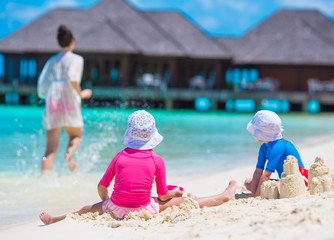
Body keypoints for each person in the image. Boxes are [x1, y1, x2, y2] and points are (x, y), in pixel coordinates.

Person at [39, 110, 237, 225]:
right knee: (186, 200)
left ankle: (56, 219)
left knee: (84, 209)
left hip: (116, 207)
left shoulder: (119, 157)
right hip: (144, 208)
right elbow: (162, 196)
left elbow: (101, 186)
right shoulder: (156, 160)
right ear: (152, 136)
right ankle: (223, 196)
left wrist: (107, 202)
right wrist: (175, 191)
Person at [37, 25, 92, 173]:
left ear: (58, 43)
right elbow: (72, 78)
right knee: (76, 136)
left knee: (50, 149)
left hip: (53, 101)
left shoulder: (52, 61)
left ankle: (43, 181)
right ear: (72, 42)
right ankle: (69, 154)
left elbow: (42, 86)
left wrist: (45, 96)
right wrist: (81, 94)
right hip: (69, 101)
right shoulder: (76, 59)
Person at [244, 110, 308, 197]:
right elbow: (258, 171)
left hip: (299, 179)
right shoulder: (264, 147)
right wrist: (253, 194)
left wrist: (256, 196)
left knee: (276, 185)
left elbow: (266, 175)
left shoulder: (278, 146)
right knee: (248, 183)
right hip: (283, 180)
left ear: (262, 132)